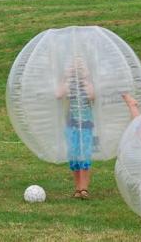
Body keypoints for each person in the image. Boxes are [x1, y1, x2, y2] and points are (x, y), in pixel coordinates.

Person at [56, 58, 95, 199]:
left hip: (85, 125)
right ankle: (77, 188)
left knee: (84, 155)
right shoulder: (68, 84)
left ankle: (84, 188)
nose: (77, 69)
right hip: (71, 125)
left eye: (81, 66)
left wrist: (84, 78)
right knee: (74, 156)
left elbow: (92, 96)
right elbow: (58, 95)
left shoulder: (88, 84)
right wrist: (67, 77)